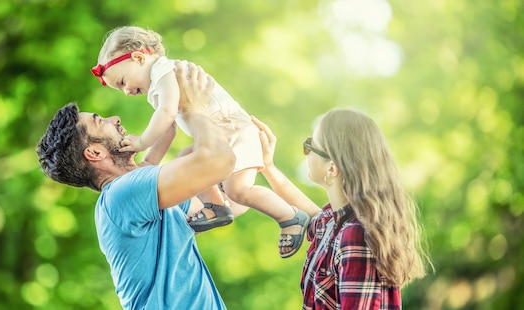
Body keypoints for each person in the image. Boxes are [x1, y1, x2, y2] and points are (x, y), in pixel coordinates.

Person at [90, 25, 310, 258]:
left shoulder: (164, 72)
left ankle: (289, 216)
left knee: (239, 190)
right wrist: (149, 162)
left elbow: (166, 115)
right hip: (222, 135)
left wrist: (142, 141)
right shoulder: (158, 84)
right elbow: (168, 130)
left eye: (123, 82)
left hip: (233, 130)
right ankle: (216, 206)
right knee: (186, 159)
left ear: (138, 57)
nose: (126, 92)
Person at [36, 62, 232, 309]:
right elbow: (218, 160)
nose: (114, 118)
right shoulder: (122, 194)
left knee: (186, 156)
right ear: (95, 152)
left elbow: (223, 208)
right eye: (100, 121)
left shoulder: (145, 195)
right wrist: (195, 109)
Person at [252, 110, 431, 309]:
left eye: (311, 145)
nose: (307, 151)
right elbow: (310, 212)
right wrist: (267, 167)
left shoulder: (356, 235)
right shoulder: (334, 223)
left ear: (332, 168)